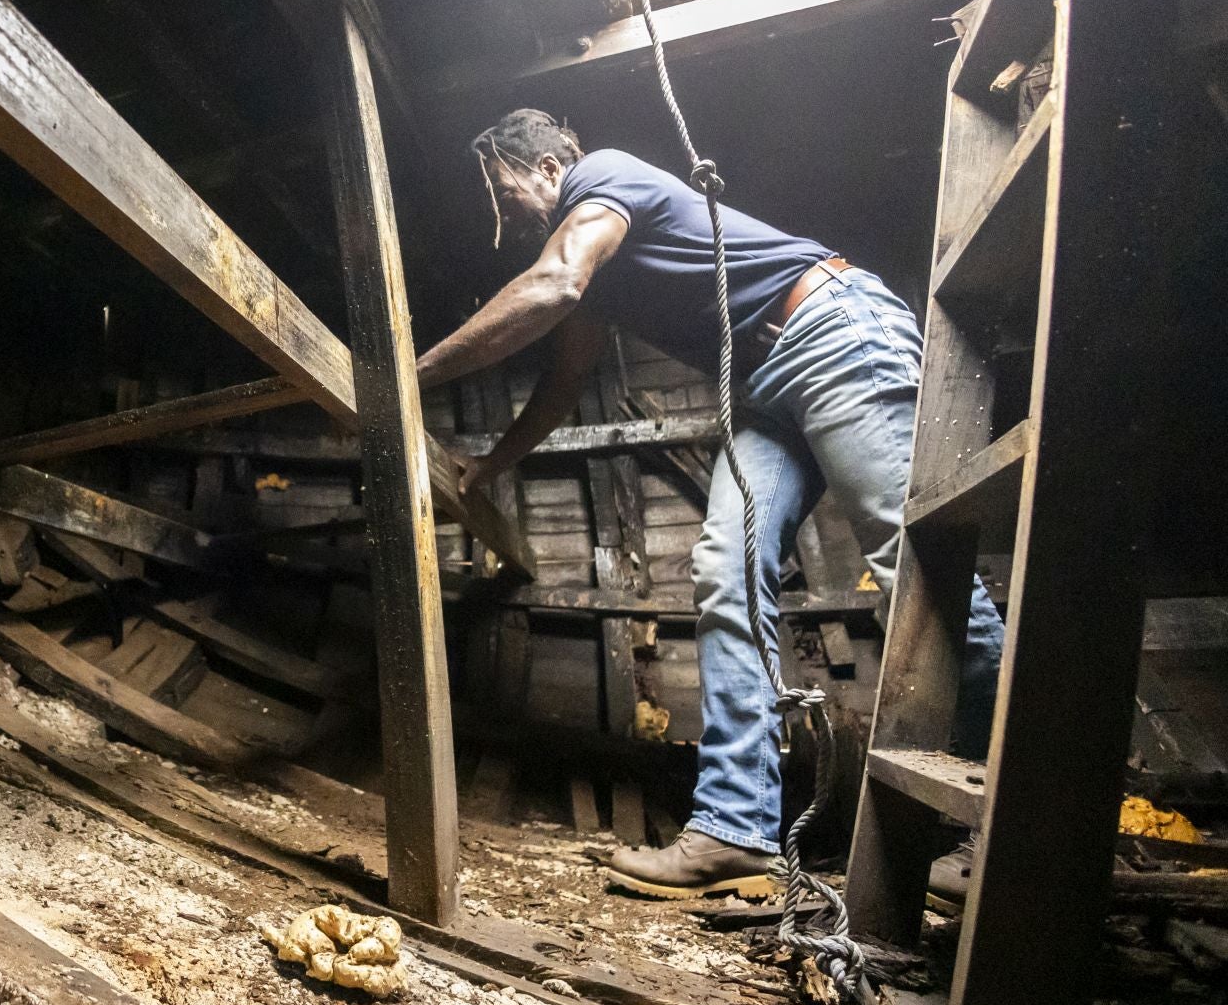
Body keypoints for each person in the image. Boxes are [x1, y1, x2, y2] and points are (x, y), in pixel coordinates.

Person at [416, 109, 1005, 899]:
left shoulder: (599, 178)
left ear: (550, 166)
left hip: (831, 328)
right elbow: (562, 385)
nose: (502, 210)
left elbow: (555, 283)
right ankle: (736, 830)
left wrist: (409, 373)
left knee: (914, 559)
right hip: (768, 391)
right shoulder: (593, 259)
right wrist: (492, 465)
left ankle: (1004, 820)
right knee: (725, 571)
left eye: (503, 188)